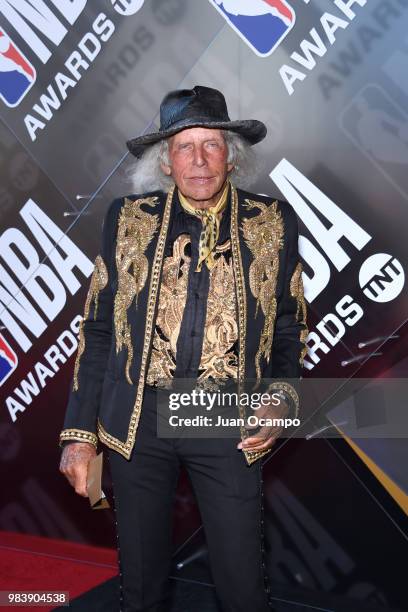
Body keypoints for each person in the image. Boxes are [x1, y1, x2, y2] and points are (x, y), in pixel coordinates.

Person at [59, 85, 308, 612]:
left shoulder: (272, 222)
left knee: (243, 588)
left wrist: (280, 399)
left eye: (212, 144)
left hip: (223, 415)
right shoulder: (126, 220)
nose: (199, 159)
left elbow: (289, 326)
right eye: (184, 146)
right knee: (141, 586)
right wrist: (79, 436)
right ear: (165, 161)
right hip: (138, 418)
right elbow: (98, 328)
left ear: (231, 154)